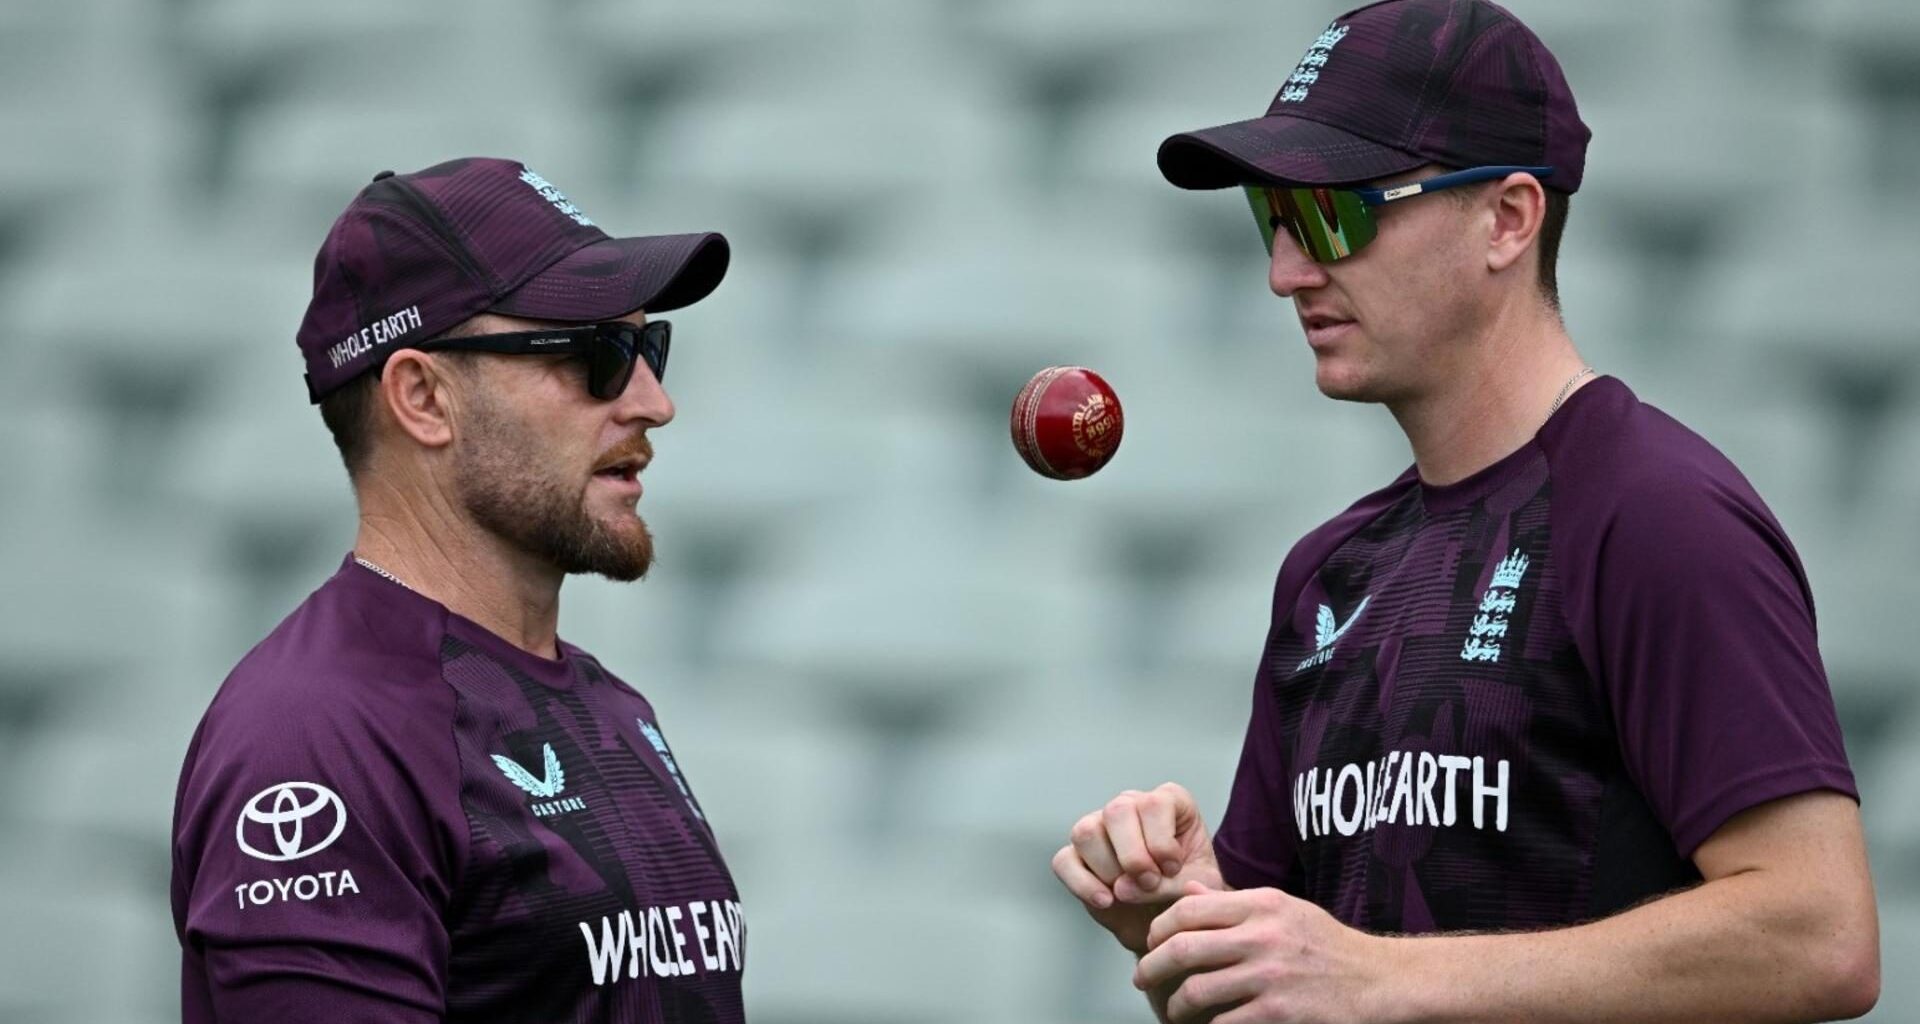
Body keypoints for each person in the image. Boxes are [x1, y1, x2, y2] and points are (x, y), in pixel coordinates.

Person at [1050, 2, 1881, 1021]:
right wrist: (1187, 916)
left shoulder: (1657, 515)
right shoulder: (1327, 569)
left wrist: (1378, 978)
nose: (1286, 271)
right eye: (1273, 216)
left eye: (1335, 213)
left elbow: (1821, 934)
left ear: (1509, 219)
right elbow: (1293, 988)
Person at [170, 157, 745, 1023]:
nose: (654, 403)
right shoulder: (316, 735)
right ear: (423, 398)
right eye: (598, 354)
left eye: (648, 346)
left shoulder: (613, 706)